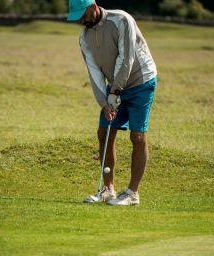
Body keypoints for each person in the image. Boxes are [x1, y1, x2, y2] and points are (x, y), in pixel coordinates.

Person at [67, 0, 157, 206]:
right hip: (116, 87)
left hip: (141, 81)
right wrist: (104, 103)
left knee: (137, 135)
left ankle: (132, 193)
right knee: (104, 132)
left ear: (93, 6)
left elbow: (127, 58)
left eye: (83, 14)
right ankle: (107, 189)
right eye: (77, 17)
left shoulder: (121, 20)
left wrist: (115, 90)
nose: (81, 20)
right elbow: (95, 73)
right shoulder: (84, 38)